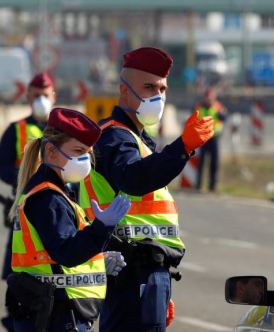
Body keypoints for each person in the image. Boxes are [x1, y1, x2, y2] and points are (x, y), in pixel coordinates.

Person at [78, 47, 215, 332]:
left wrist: (160, 283)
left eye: (163, 88)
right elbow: (134, 179)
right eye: (149, 87)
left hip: (147, 272)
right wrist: (182, 147)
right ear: (124, 90)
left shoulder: (137, 138)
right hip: (130, 270)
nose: (158, 96)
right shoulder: (114, 136)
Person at [6, 107, 131, 332]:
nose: (86, 159)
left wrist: (98, 261)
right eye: (78, 151)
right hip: (55, 315)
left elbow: (55, 253)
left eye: (88, 152)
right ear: (52, 152)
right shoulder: (48, 198)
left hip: (55, 310)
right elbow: (66, 252)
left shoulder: (56, 193)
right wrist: (102, 227)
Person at [0, 72, 55, 330]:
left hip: (56, 212)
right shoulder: (16, 129)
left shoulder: (62, 131)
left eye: (46, 94)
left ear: (54, 96)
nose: (41, 99)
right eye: (36, 95)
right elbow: (2, 167)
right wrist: (29, 181)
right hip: (23, 212)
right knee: (19, 278)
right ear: (28, 96)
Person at [195, 87, 226, 192]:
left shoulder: (218, 107)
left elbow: (224, 117)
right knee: (201, 162)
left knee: (214, 163)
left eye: (211, 98)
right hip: (203, 139)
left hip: (214, 138)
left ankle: (212, 186)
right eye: (207, 98)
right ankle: (198, 185)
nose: (209, 100)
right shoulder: (199, 107)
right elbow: (194, 120)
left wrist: (220, 113)